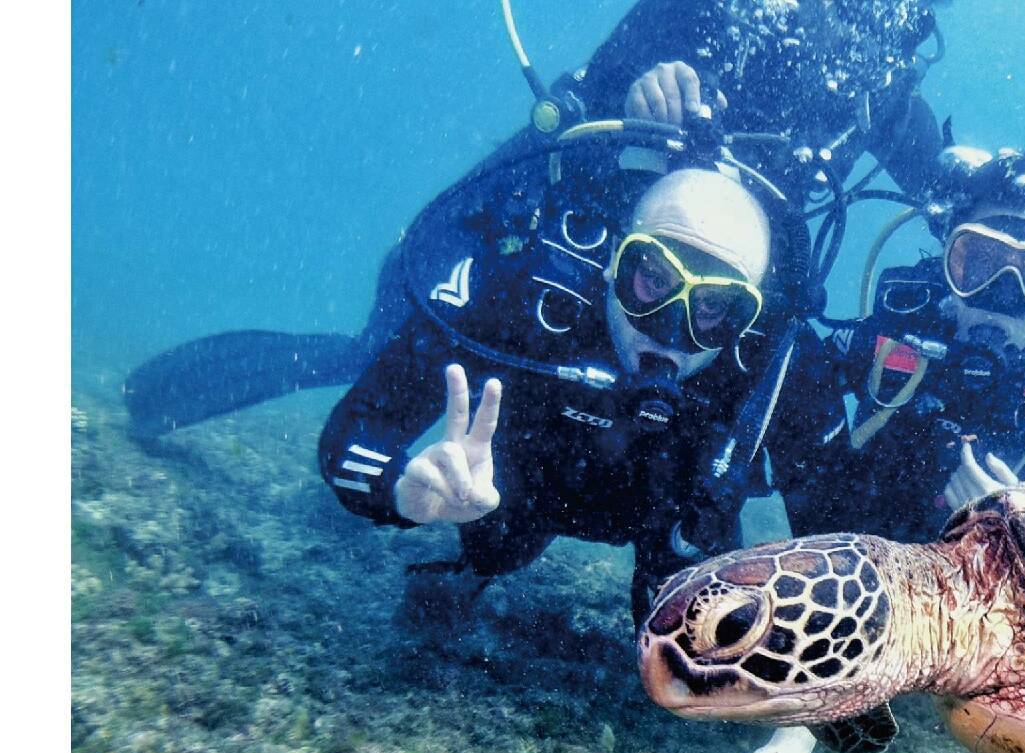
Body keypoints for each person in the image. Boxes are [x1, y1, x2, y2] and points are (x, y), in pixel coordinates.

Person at [123, 0, 950, 438]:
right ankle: (332, 363)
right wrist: (631, 109)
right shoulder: (703, 9)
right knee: (403, 341)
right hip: (603, 252)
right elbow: (567, 120)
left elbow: (954, 204)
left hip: (712, 306)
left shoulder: (884, 90)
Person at [712, 144, 1025, 753]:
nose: (1004, 299)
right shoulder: (882, 352)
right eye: (980, 263)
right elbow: (831, 541)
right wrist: (793, 741)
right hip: (871, 594)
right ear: (947, 259)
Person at [318, 161, 784, 625]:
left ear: (745, 317)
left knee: (694, 623)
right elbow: (353, 431)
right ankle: (474, 567)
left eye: (711, 305)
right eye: (655, 280)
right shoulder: (524, 296)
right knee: (497, 544)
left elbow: (840, 526)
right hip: (518, 498)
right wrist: (400, 492)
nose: (668, 330)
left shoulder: (765, 368)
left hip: (672, 529)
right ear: (614, 262)